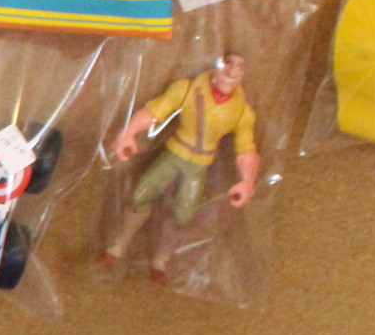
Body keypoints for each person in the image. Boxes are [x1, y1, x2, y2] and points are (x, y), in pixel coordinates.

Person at [102, 52, 259, 274]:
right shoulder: (186, 90)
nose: (233, 71)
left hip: (199, 166)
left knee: (184, 216)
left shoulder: (242, 111)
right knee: (140, 195)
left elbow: (246, 150)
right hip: (174, 154)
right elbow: (154, 112)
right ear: (217, 66)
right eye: (228, 64)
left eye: (239, 67)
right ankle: (118, 246)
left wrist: (248, 180)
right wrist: (129, 132)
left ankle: (161, 259)